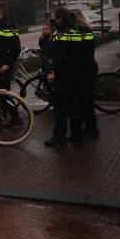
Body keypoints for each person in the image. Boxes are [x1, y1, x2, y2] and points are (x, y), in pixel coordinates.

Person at [46, 8, 88, 147]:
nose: (52, 20)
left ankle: (59, 137)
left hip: (63, 76)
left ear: (59, 19)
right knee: (74, 107)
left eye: (53, 17)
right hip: (76, 74)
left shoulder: (60, 34)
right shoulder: (75, 32)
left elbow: (57, 55)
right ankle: (76, 135)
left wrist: (53, 71)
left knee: (60, 108)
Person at [0, 5, 21, 132]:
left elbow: (16, 48)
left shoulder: (9, 26)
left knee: (1, 94)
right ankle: (16, 118)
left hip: (4, 65)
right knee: (3, 93)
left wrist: (8, 64)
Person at [70, 9, 100, 140]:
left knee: (85, 101)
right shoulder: (85, 30)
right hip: (86, 69)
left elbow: (80, 51)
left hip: (84, 70)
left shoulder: (82, 31)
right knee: (84, 100)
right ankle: (88, 127)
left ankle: (92, 128)